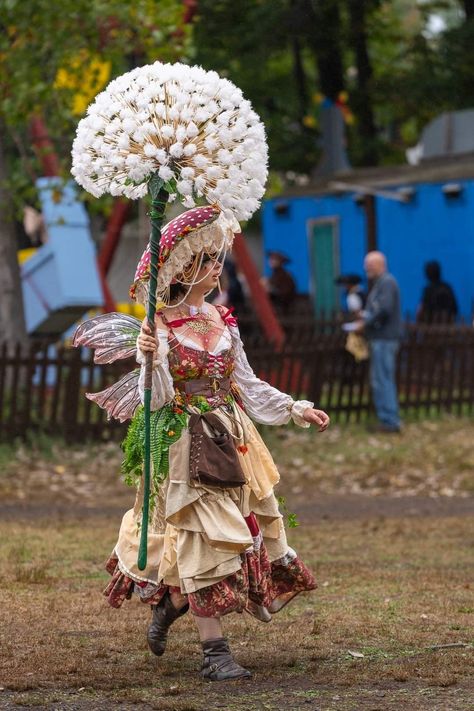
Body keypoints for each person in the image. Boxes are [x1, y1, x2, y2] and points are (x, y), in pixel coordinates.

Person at [74, 205, 330, 682]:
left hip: (233, 438)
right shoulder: (159, 328)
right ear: (184, 270)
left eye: (217, 259)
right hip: (181, 440)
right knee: (202, 537)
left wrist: (294, 407)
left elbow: (247, 384)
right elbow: (157, 397)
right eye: (209, 260)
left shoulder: (222, 319)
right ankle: (215, 652)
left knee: (250, 526)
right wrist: (149, 360)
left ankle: (173, 602)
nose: (217, 267)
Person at [355, 251, 402, 433]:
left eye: (370, 265)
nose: (367, 269)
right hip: (380, 338)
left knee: (383, 379)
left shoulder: (387, 282)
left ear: (381, 264)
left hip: (385, 338)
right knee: (380, 379)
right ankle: (388, 418)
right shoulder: (380, 283)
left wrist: (365, 322)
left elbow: (384, 310)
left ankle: (390, 421)